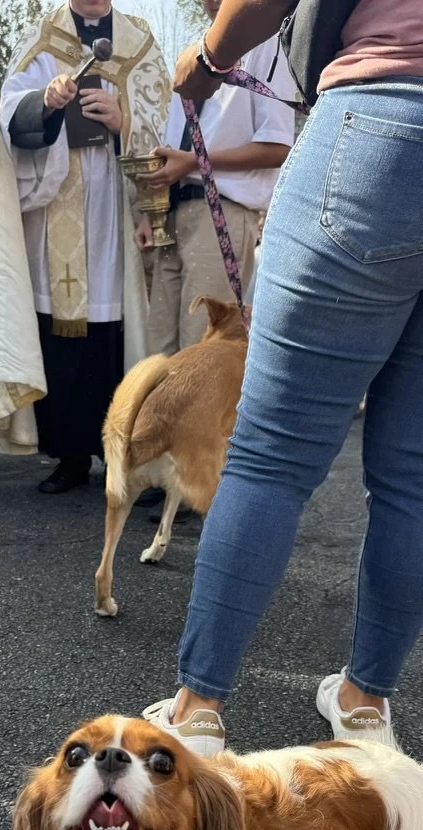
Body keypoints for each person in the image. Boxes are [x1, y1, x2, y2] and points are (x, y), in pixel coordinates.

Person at [144, 0, 423, 754]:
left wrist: (207, 58)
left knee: (270, 456)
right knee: (414, 478)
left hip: (381, 120)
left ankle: (197, 712)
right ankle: (366, 705)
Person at [0, 0, 170, 494]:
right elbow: (9, 114)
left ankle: (128, 453)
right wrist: (46, 103)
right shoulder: (41, 38)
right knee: (61, 335)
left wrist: (124, 120)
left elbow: (167, 118)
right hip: (55, 197)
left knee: (118, 329)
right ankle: (70, 456)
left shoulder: (139, 42)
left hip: (117, 203)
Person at [139, 0, 295, 354]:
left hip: (222, 212)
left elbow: (277, 146)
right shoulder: (191, 54)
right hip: (174, 215)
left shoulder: (267, 45)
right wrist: (153, 212)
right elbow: (174, 146)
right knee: (158, 354)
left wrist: (192, 163)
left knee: (200, 353)